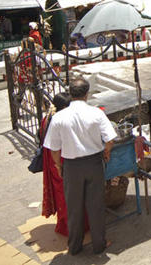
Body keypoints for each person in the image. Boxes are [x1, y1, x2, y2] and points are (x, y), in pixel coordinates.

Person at [44, 79, 116, 255]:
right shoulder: (96, 113)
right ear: (86, 94)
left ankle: (74, 246)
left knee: (74, 207)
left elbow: (54, 149)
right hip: (93, 163)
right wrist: (106, 153)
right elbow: (110, 140)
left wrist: (59, 165)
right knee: (96, 205)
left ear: (71, 93)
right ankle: (99, 244)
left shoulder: (59, 117)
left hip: (71, 165)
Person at [41, 92, 87, 237]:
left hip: (52, 161)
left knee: (62, 195)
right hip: (59, 161)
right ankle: (72, 228)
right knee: (69, 196)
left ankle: (66, 225)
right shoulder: (60, 121)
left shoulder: (47, 118)